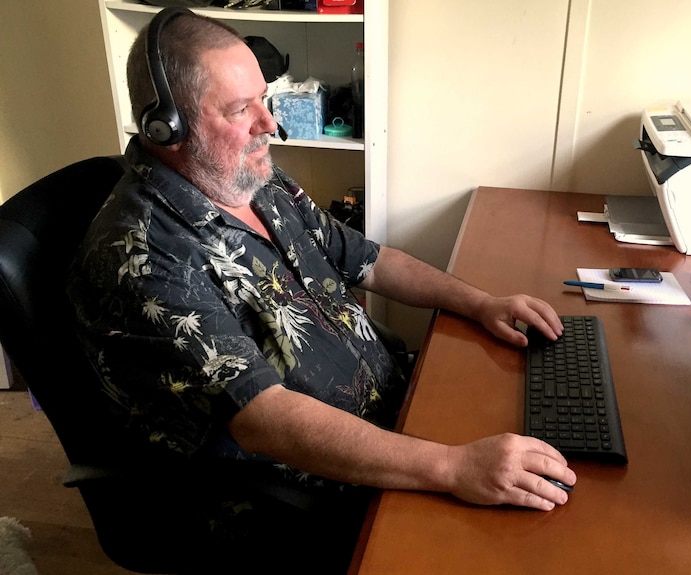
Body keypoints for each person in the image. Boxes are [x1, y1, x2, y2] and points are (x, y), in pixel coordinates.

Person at [67, 8, 574, 572]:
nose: (269, 123)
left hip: (392, 417)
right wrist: (453, 467)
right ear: (168, 127)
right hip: (291, 495)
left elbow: (370, 262)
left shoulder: (252, 178)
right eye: (240, 110)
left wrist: (481, 302)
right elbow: (266, 419)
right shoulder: (143, 258)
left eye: (265, 97)